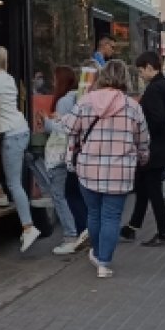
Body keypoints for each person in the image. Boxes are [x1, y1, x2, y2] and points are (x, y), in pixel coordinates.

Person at [65, 59, 150, 279]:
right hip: (120, 172)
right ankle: (104, 262)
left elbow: (68, 127)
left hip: (88, 169)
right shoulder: (133, 107)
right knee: (112, 217)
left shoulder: (86, 101)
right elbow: (143, 141)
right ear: (125, 79)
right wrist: (142, 158)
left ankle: (95, 251)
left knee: (94, 214)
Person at [121, 51, 165, 247]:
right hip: (161, 146)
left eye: (141, 71)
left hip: (154, 148)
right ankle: (132, 227)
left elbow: (157, 119)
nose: (141, 75)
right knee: (143, 187)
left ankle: (163, 233)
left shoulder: (153, 90)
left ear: (150, 68)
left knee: (153, 191)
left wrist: (140, 129)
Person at [31, 65, 81, 255]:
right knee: (65, 194)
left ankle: (70, 236)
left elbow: (61, 129)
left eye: (54, 78)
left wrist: (46, 121)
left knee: (58, 196)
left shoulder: (63, 101)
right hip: (71, 153)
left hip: (60, 153)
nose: (52, 82)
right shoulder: (77, 97)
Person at [0, 46, 41, 252]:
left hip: (11, 134)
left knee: (14, 183)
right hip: (19, 129)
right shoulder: (8, 78)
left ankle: (28, 227)